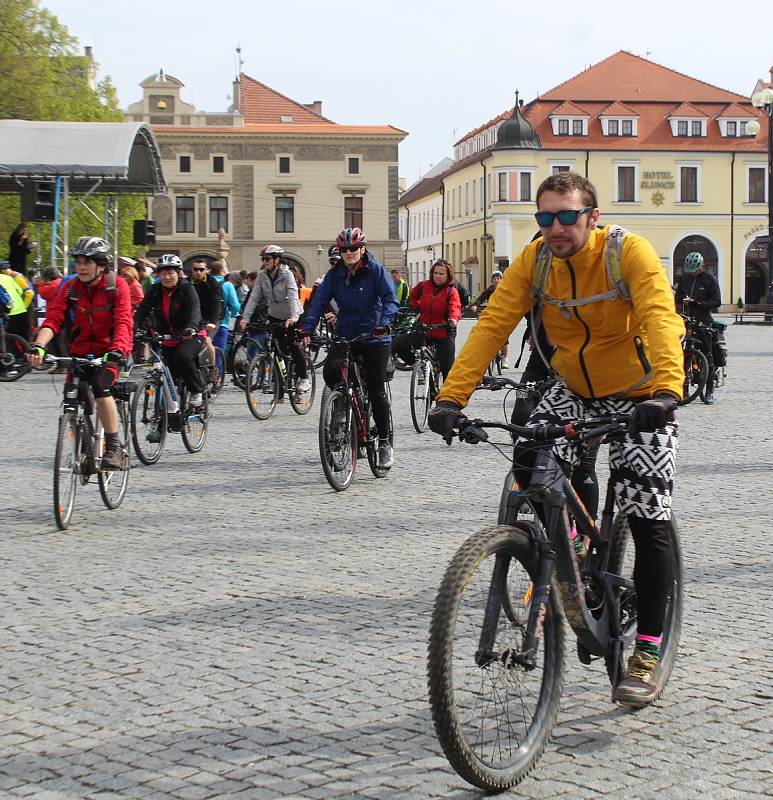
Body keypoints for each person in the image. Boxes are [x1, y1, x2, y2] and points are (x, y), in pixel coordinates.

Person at [428, 172, 685, 708]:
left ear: (592, 215)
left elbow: (660, 317)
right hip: (574, 388)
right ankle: (572, 549)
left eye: (567, 216)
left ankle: (648, 647)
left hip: (639, 394)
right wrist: (452, 399)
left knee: (646, 510)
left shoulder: (627, 253)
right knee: (529, 458)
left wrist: (666, 390)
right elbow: (494, 323)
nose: (556, 227)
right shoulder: (536, 260)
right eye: (546, 217)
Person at [27, 237, 133, 470]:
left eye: (87, 262)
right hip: (80, 351)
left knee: (101, 386)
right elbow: (53, 319)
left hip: (109, 351)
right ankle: (83, 447)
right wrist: (39, 346)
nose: (81, 267)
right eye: (78, 262)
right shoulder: (71, 286)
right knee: (72, 395)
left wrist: (117, 350)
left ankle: (114, 447)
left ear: (101, 264)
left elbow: (124, 321)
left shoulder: (117, 286)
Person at [301, 227, 399, 468]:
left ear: (362, 249)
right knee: (332, 371)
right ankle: (341, 411)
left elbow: (390, 300)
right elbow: (318, 303)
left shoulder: (376, 271)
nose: (349, 253)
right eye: (345, 249)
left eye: (353, 248)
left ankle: (385, 443)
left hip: (375, 337)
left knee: (376, 390)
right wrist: (306, 329)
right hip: (346, 335)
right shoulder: (334, 275)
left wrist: (385, 324)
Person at [135, 254, 206, 406]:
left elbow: (195, 310)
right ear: (159, 274)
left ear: (178, 273)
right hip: (167, 337)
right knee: (166, 375)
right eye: (163, 273)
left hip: (191, 335)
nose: (167, 277)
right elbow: (142, 311)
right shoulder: (155, 290)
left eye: (171, 273)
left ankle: (196, 390)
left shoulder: (187, 288)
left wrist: (191, 327)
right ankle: (161, 421)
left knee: (183, 356)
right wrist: (132, 328)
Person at [239, 244, 310, 393]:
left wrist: (294, 316)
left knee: (293, 345)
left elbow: (292, 296)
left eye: (267, 259)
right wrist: (245, 318)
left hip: (293, 314)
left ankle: (304, 378)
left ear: (277, 259)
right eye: (263, 259)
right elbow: (254, 297)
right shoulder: (262, 275)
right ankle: (278, 385)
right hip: (275, 315)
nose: (265, 261)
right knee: (276, 349)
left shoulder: (287, 275)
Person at [393, 259, 461, 380]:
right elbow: (413, 294)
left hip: (443, 332)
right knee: (399, 344)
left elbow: (455, 307)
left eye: (441, 274)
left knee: (447, 369)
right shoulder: (424, 285)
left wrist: (453, 319)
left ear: (448, 275)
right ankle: (418, 368)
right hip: (425, 330)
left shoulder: (451, 291)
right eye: (436, 273)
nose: (438, 276)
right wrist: (417, 307)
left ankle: (446, 396)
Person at [675, 252, 722, 403]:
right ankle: (684, 389)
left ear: (701, 266)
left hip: (704, 320)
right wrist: (682, 300)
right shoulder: (685, 278)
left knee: (707, 353)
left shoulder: (710, 280)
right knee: (684, 354)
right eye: (690, 271)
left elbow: (716, 301)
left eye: (695, 270)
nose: (692, 273)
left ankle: (709, 390)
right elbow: (677, 297)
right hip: (687, 319)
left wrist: (699, 304)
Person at [189, 258, 223, 380]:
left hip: (210, 318)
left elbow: (217, 303)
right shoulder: (187, 282)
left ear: (206, 270)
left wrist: (212, 322)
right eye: (196, 269)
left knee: (207, 340)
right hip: (193, 318)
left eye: (201, 269)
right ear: (192, 270)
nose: (198, 272)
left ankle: (213, 368)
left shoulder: (212, 283)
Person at [471, 270, 509, 367]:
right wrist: (475, 305)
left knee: (504, 337)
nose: (496, 280)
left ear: (502, 280)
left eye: (498, 278)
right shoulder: (490, 290)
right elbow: (481, 298)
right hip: (492, 313)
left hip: (503, 314)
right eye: (494, 278)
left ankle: (505, 358)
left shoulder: (506, 289)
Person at [210, 260, 240, 353]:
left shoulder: (205, 283)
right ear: (222, 271)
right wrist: (233, 314)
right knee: (218, 354)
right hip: (222, 322)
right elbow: (235, 305)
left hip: (204, 324)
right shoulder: (227, 285)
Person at [0, 262, 34, 340]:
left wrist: (25, 305)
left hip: (10, 311)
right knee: (24, 337)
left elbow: (29, 292)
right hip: (21, 310)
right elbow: (21, 291)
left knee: (9, 340)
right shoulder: (11, 277)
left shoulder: (16, 276)